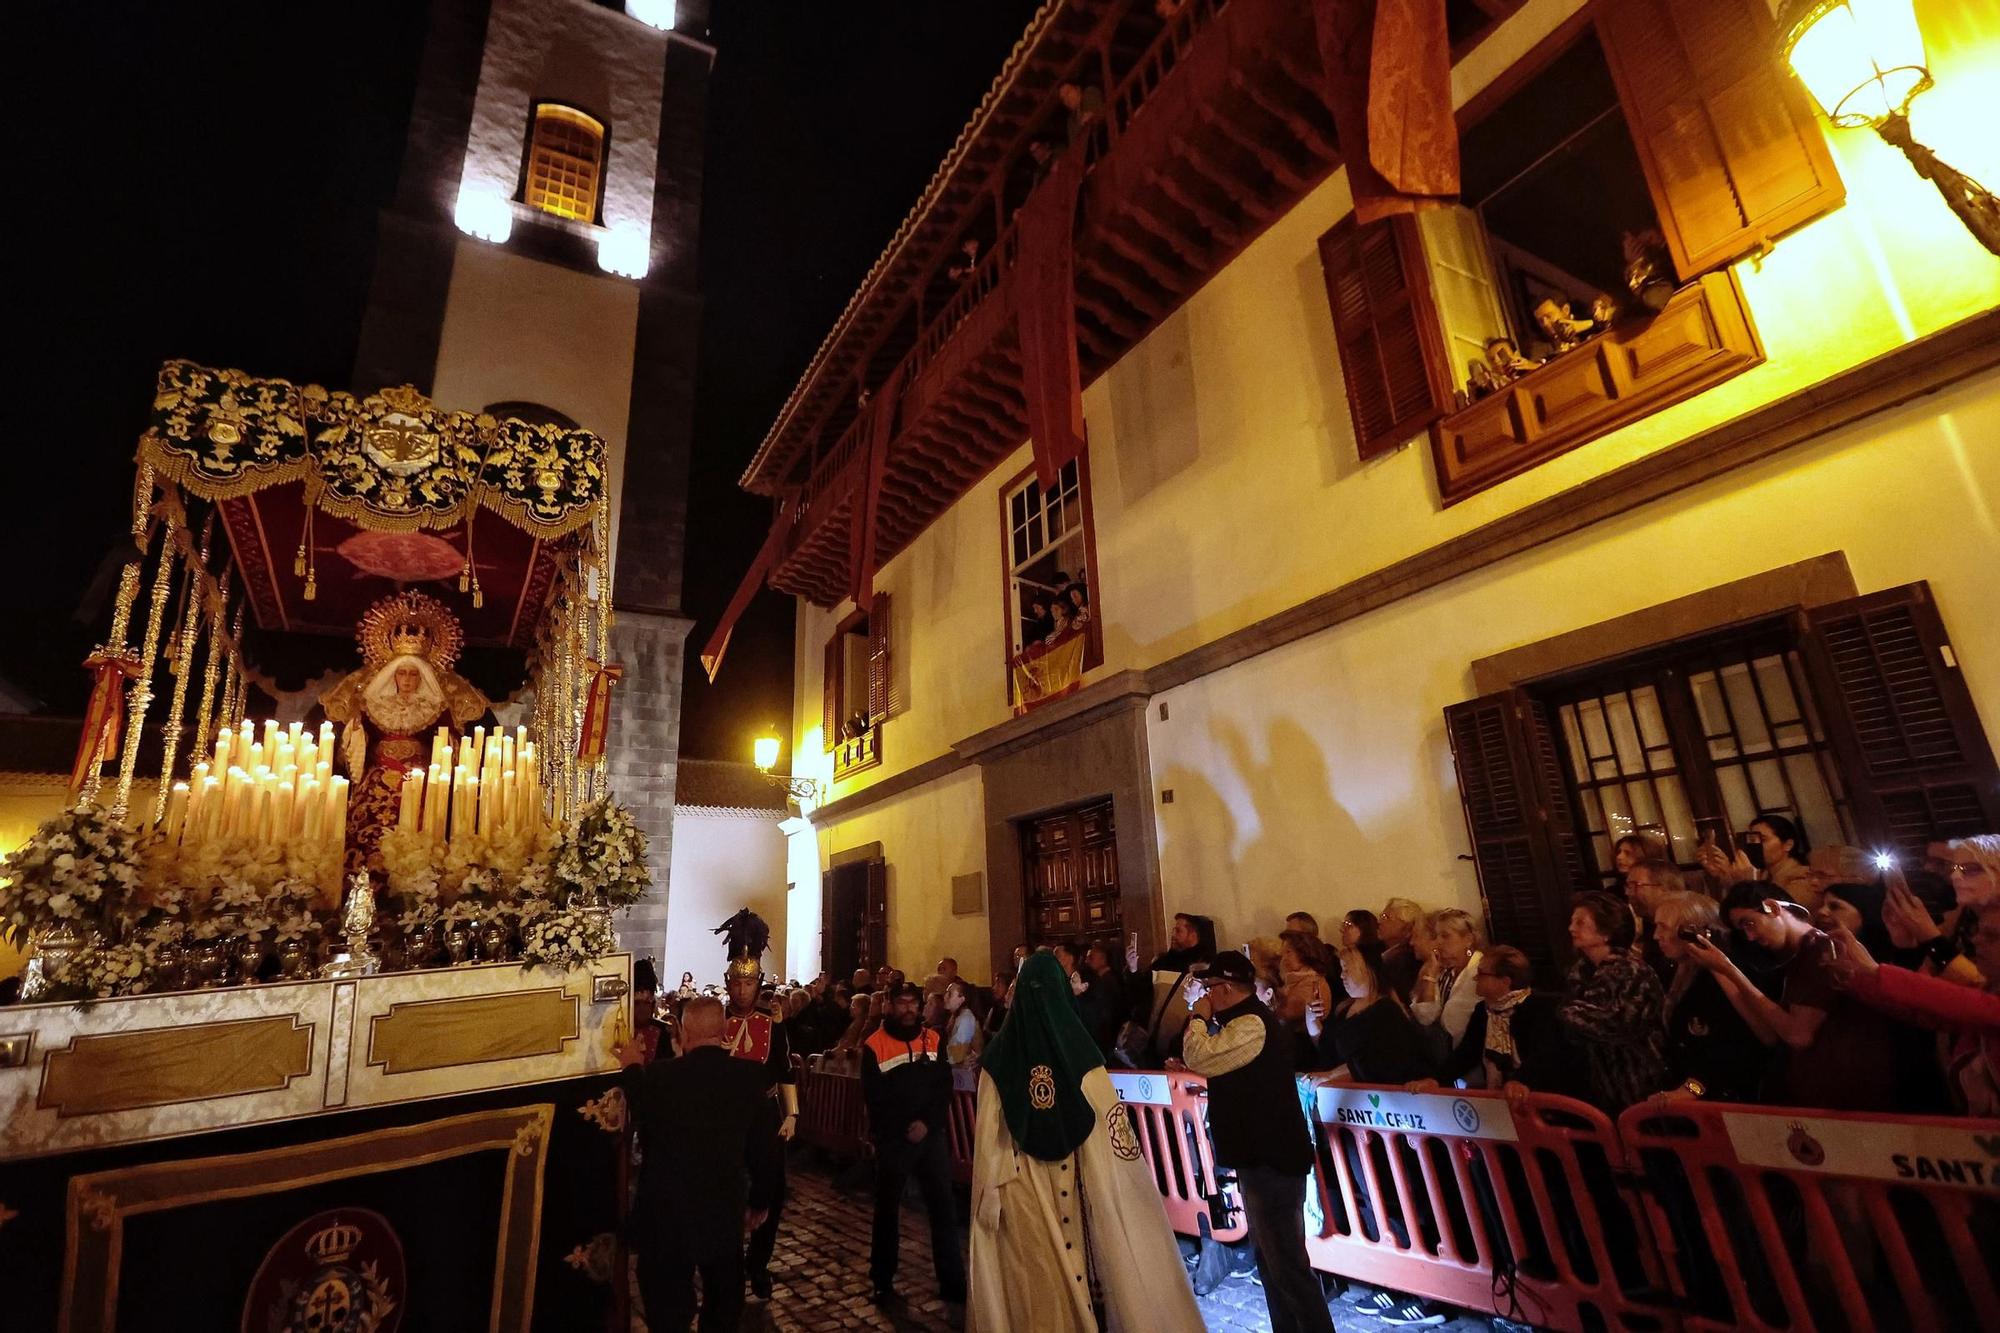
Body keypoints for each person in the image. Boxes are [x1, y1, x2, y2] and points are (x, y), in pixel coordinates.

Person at [969, 953, 1203, 1332]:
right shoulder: (1075, 1053)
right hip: (1046, 1182)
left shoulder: (1006, 1058)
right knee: (1048, 1273)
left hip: (1033, 1181)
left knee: (1046, 1274)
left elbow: (990, 1138)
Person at [1177, 951, 1335, 1333]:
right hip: (1259, 1158)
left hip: (1272, 1161)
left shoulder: (1251, 1024)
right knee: (1270, 1263)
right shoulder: (1240, 1022)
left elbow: (1200, 1054)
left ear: (1225, 987)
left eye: (1209, 988)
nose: (1206, 995)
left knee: (1288, 1266)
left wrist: (1197, 1016)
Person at [615, 995, 777, 1333]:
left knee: (667, 1304)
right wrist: (760, 1200)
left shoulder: (661, 1075)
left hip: (667, 1210)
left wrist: (631, 1064)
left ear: (684, 1033)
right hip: (722, 1206)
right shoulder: (749, 1077)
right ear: (725, 1031)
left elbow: (640, 1106)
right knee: (723, 1298)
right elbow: (764, 1149)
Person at [1688, 887, 1927, 1112]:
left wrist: (1731, 971)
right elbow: (1771, 1034)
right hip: (1832, 1096)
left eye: (1749, 923)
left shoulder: (1821, 950)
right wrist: (1723, 970)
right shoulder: (1799, 957)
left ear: (1772, 907)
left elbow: (1798, 1035)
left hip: (1849, 1097)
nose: (1750, 936)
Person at [1822, 912, 2000, 1115]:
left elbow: (1967, 1004)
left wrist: (1875, 971)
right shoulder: (1989, 989)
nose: (1976, 939)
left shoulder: (1987, 1002)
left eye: (1992, 936)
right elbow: (1926, 1011)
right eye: (1978, 932)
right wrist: (1854, 977)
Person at [861, 982, 966, 1308]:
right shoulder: (875, 1045)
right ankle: (882, 1278)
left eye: (912, 1003)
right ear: (889, 1006)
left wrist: (928, 1123)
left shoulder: (933, 1040)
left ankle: (952, 1281)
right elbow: (875, 1097)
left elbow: (943, 1086)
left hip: (930, 1137)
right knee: (888, 1210)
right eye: (901, 1003)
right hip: (895, 1140)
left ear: (920, 1007)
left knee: (942, 1209)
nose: (907, 1009)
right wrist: (900, 1128)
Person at [714, 910, 797, 1299]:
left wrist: (792, 1113)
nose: (742, 990)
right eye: (737, 982)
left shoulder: (771, 1021)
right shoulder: (714, 1020)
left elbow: (784, 1068)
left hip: (764, 1116)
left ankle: (759, 1262)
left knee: (772, 1189)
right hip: (726, 1117)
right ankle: (726, 1259)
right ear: (728, 983)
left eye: (749, 983)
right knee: (724, 1189)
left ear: (758, 983)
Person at [1412, 945, 1576, 1098]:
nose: (1476, 978)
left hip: (1540, 1097)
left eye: (1482, 973)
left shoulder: (1541, 1008)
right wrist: (1436, 1079)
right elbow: (1467, 1053)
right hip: (1500, 1097)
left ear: (1505, 981)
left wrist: (1520, 1081)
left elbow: (1543, 1055)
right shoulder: (1482, 1010)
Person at [1558, 892, 1667, 1113]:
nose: (1571, 928)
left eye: (1580, 922)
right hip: (1600, 1084)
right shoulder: (1579, 973)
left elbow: (1615, 1024)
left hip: (1641, 1079)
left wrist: (1566, 1012)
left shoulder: (1630, 971)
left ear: (1607, 932)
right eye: (1572, 921)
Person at [1306, 944, 1431, 1084]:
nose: (1342, 975)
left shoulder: (1387, 1011)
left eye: (1347, 969)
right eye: (1342, 969)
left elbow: (1375, 1064)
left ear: (1367, 971)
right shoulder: (1343, 1008)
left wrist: (1330, 1076)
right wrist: (1311, 1018)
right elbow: (1326, 1047)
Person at [1124, 912, 1217, 1063]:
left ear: (1194, 935)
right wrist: (1133, 970)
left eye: (1179, 931)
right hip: (1153, 1047)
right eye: (1174, 930)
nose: (1173, 935)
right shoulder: (1162, 962)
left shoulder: (1207, 969)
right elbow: (1141, 994)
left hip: (1184, 1052)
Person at [1410, 908, 1483, 1047]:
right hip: (1448, 1051)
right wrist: (1430, 975)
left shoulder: (1481, 971)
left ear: (1468, 939)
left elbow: (1455, 1025)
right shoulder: (1445, 971)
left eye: (1445, 936)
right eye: (1437, 936)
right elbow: (1425, 1016)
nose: (1438, 942)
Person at [1376, 898, 1424, 1002]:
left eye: (1386, 917)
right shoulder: (1375, 950)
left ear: (1407, 928)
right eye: (1381, 916)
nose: (1379, 922)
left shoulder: (1409, 962)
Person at [943, 977, 983, 1086]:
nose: (945, 997)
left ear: (962, 999)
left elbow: (956, 1057)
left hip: (966, 1079)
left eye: (950, 994)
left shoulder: (965, 1018)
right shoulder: (957, 1017)